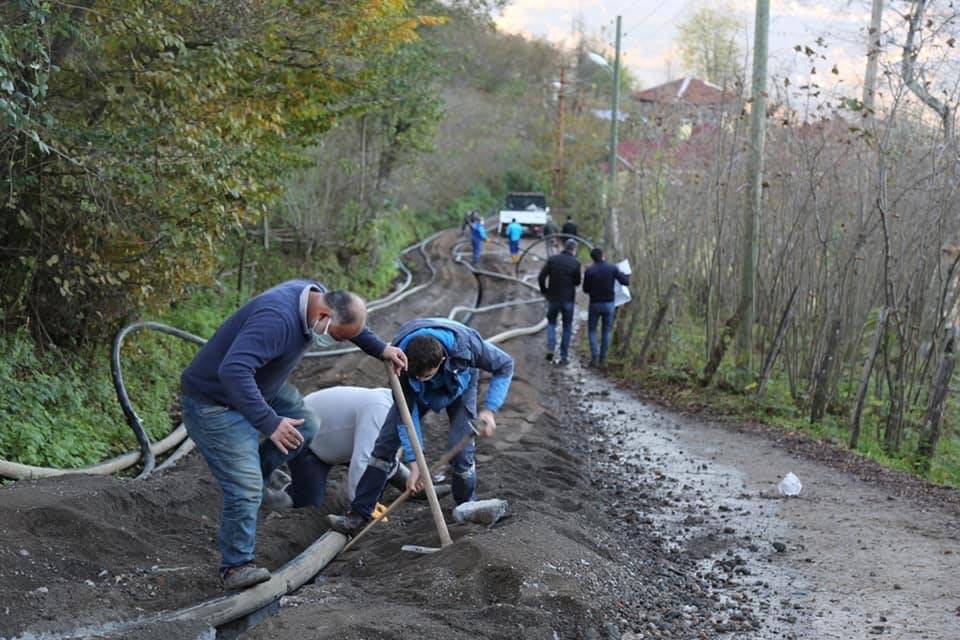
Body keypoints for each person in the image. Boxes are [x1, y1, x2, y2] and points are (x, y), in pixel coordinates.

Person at [179, 281, 406, 590]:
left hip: (260, 388)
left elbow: (351, 326)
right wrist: (270, 422)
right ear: (324, 315)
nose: (330, 339)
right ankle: (235, 566)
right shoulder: (277, 319)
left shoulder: (315, 297)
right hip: (214, 401)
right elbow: (232, 371)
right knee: (244, 488)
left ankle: (257, 476)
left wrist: (380, 349)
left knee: (307, 423)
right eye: (333, 335)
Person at [326, 318, 515, 536]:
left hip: (459, 385)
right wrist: (414, 462)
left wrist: (490, 409)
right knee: (384, 446)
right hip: (416, 394)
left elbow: (505, 365)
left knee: (461, 450)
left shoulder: (468, 345)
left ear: (441, 361)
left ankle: (466, 506)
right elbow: (407, 416)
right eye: (417, 377)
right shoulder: (399, 363)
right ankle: (358, 515)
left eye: (426, 376)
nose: (421, 380)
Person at [262, 386, 450, 509]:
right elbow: (363, 460)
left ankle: (413, 487)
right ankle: (277, 490)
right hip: (310, 441)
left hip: (340, 438)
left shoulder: (399, 406)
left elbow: (386, 454)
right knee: (307, 505)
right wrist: (360, 508)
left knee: (382, 457)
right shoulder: (381, 410)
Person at [583, 247, 630, 367]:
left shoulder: (590, 270)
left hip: (594, 303)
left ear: (592, 258)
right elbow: (625, 282)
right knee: (606, 331)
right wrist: (625, 273)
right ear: (603, 255)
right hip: (609, 304)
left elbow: (585, 289)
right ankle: (603, 359)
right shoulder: (612, 268)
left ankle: (595, 357)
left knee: (592, 330)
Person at [538, 239, 581, 365]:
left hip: (553, 298)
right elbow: (577, 282)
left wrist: (544, 291)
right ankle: (564, 356)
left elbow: (541, 277)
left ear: (564, 247)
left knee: (551, 323)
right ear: (574, 249)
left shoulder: (553, 259)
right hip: (568, 299)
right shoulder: (576, 263)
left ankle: (551, 348)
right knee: (567, 327)